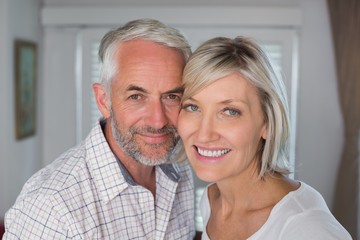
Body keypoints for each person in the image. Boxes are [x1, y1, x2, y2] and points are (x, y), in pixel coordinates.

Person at [4, 19, 195, 239]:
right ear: (104, 101)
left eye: (171, 96)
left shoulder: (181, 168)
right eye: (136, 97)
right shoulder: (50, 207)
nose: (158, 121)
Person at [177, 36, 352, 240]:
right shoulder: (211, 200)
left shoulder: (308, 228)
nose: (204, 134)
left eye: (230, 111)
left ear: (267, 123)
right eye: (192, 107)